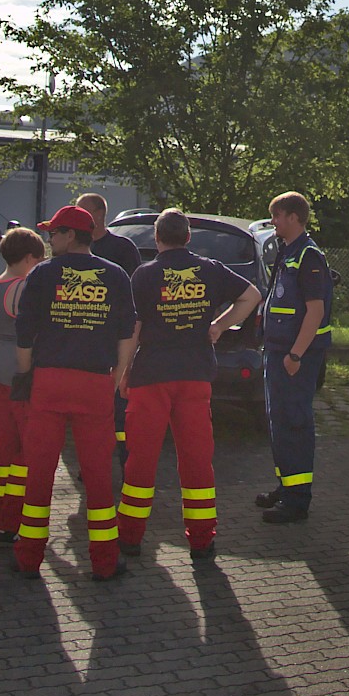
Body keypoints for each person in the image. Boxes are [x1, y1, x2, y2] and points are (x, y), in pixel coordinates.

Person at [117, 208, 261, 562]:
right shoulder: (209, 269)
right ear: (188, 237)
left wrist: (123, 373)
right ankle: (201, 539)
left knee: (142, 458)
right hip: (196, 374)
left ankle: (131, 536)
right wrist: (218, 326)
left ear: (157, 238)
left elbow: (133, 331)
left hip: (152, 375)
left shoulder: (144, 275)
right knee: (197, 459)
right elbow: (252, 295)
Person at [12, 204, 137, 582]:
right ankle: (104, 560)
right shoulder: (115, 275)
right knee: (98, 474)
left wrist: (24, 375)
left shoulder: (44, 273)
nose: (50, 240)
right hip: (95, 381)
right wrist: (118, 376)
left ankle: (28, 558)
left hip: (49, 379)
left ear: (70, 235)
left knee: (40, 470)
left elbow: (24, 332)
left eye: (54, 233)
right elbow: (127, 331)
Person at [254, 192, 332, 526]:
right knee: (279, 424)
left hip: (294, 357)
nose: (273, 222)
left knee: (295, 424)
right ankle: (286, 485)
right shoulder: (289, 252)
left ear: (293, 217)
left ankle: (298, 500)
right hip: (277, 353)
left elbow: (316, 311)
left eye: (277, 216)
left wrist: (296, 354)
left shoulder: (309, 256)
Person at [0, 226, 46, 548]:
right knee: (25, 449)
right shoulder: (24, 286)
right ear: (28, 259)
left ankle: (2, 517)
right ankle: (16, 516)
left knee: (4, 451)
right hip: (22, 373)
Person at [76, 191, 142, 461]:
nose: (79, 217)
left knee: (118, 407)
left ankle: (126, 464)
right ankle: (91, 460)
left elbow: (135, 294)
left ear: (99, 215)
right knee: (87, 409)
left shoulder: (122, 249)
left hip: (115, 338)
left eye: (84, 212)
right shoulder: (74, 248)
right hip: (83, 339)